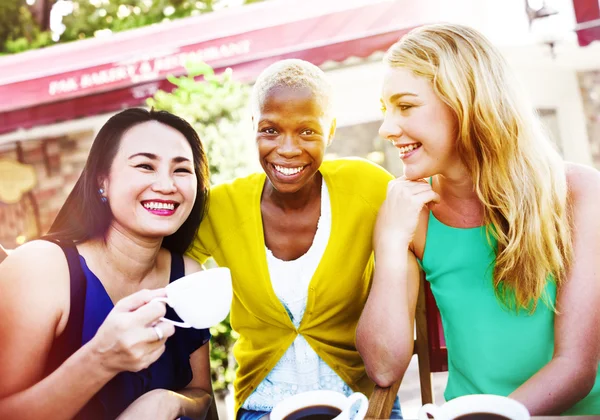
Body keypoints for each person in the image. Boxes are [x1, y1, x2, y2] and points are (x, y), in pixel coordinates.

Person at [357, 23, 600, 416]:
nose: (387, 128)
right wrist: (388, 245)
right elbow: (383, 369)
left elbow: (575, 368)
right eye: (386, 110)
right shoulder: (411, 214)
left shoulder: (578, 195)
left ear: (465, 103)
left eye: (405, 106)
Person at [187, 59, 402, 419]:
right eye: (271, 130)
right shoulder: (221, 207)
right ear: (253, 126)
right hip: (263, 407)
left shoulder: (368, 186)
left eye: (307, 132)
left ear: (330, 131)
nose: (287, 149)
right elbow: (166, 268)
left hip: (363, 403)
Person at [0, 108, 216, 419]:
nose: (167, 185)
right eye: (145, 165)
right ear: (102, 180)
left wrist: (168, 401)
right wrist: (102, 359)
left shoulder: (188, 275)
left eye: (182, 170)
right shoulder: (40, 269)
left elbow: (202, 394)